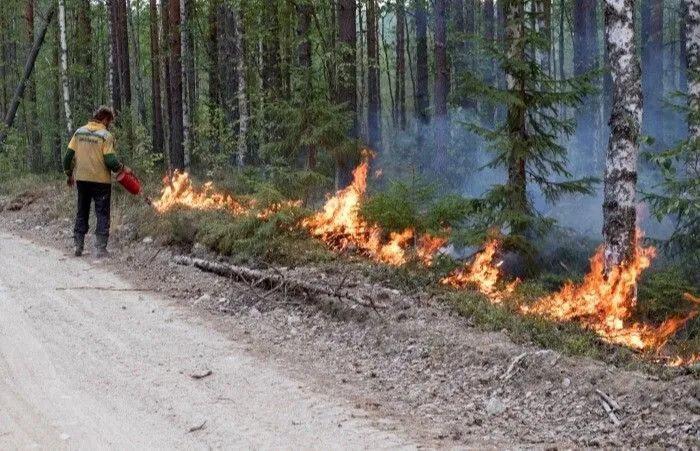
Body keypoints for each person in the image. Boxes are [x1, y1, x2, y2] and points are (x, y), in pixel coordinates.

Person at [63, 106, 130, 257]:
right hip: (101, 182)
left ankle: (78, 245)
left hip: (82, 179)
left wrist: (69, 174)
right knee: (102, 213)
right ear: (105, 119)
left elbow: (67, 157)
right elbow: (110, 160)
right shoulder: (105, 135)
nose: (109, 124)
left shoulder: (79, 132)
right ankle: (100, 248)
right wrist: (123, 168)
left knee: (82, 210)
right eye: (110, 122)